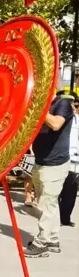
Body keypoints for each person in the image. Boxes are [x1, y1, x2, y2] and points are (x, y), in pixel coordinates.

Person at [25, 90, 75, 257]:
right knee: (49, 203)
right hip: (42, 162)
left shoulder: (62, 104)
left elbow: (55, 124)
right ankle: (53, 239)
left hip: (55, 164)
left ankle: (42, 242)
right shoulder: (47, 105)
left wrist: (39, 109)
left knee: (46, 204)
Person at [59, 96, 79, 227]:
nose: (74, 109)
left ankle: (65, 217)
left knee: (71, 191)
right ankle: (57, 217)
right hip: (61, 158)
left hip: (75, 158)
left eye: (76, 106)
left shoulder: (77, 120)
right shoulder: (61, 118)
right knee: (58, 190)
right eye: (72, 106)